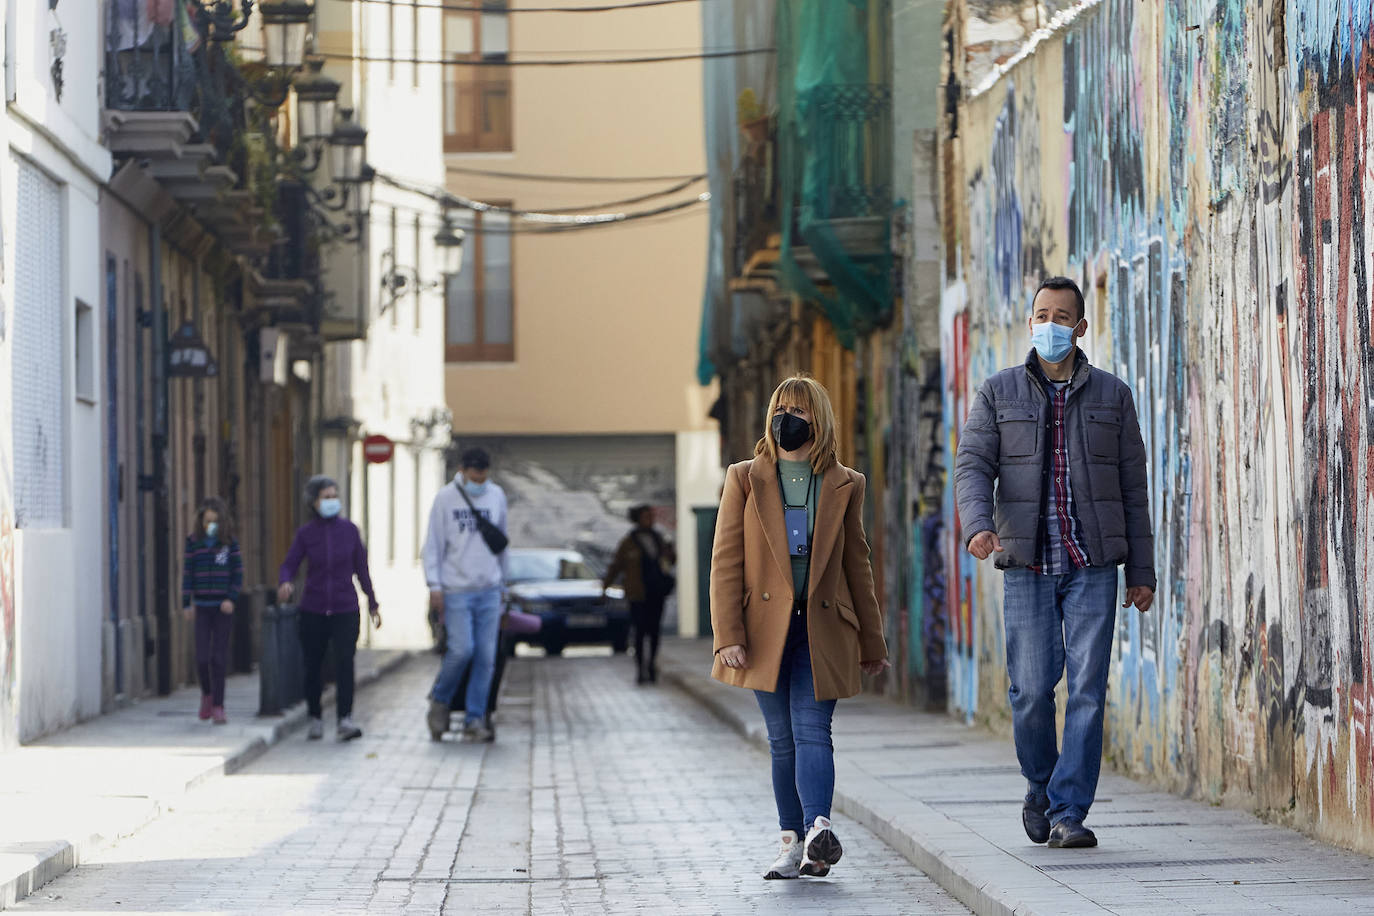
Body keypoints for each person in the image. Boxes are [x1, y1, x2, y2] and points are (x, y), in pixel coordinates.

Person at [954, 276, 1156, 850]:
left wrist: (1141, 571)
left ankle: (1070, 811)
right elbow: (972, 465)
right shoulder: (998, 393)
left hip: (1093, 564)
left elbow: (1134, 489)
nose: (1051, 324)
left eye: (1062, 315)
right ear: (1029, 321)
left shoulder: (1114, 397)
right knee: (1030, 692)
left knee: (1089, 688)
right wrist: (978, 524)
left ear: (1081, 327)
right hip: (1027, 564)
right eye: (1042, 313)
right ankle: (1039, 785)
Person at [710, 374, 890, 881]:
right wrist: (728, 636)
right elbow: (725, 560)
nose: (786, 417)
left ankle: (818, 830)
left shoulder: (845, 483)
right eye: (780, 408)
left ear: (819, 420)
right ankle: (791, 843)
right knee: (781, 740)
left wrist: (873, 642)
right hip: (762, 630)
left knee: (814, 731)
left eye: (799, 410)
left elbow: (859, 565)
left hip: (822, 627)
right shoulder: (744, 478)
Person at [277, 476, 382, 742]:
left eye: (334, 496)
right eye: (326, 497)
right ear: (314, 502)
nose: (332, 501)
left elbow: (361, 568)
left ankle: (345, 719)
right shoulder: (306, 534)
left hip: (345, 607)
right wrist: (285, 582)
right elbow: (290, 563)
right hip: (313, 608)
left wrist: (372, 602)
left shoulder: (349, 531)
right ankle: (315, 717)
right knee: (313, 665)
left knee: (345, 663)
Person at [422, 447, 509, 742]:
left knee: (486, 656)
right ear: (462, 470)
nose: (479, 480)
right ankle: (440, 700)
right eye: (474, 474)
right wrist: (434, 585)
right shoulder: (446, 498)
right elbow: (433, 544)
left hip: (489, 589)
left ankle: (475, 717)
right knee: (462, 650)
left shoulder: (496, 496)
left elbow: (502, 542)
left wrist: (505, 583)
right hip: (456, 589)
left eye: (483, 475)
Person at [181, 498, 242, 725]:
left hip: (222, 608)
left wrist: (231, 598)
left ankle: (219, 705)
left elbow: (238, 573)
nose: (211, 525)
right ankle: (207, 694)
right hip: (202, 608)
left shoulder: (229, 544)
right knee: (201, 657)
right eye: (208, 521)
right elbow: (187, 573)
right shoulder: (193, 543)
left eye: (215, 521)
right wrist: (186, 602)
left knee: (218, 658)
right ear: (201, 521)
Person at [603, 504, 676, 684]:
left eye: (651, 516)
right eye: (646, 516)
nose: (650, 520)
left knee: (654, 631)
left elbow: (670, 562)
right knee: (639, 632)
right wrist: (604, 586)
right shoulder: (628, 542)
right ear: (638, 519)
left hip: (656, 593)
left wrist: (670, 552)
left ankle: (651, 665)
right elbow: (616, 566)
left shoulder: (659, 539)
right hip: (637, 594)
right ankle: (640, 668)